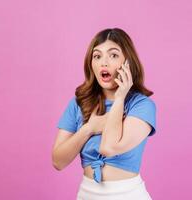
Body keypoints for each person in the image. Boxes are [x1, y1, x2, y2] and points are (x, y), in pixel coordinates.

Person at [52, 28, 156, 200]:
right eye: (97, 56)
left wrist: (120, 96)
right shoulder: (79, 103)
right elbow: (58, 161)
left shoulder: (142, 106)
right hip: (87, 194)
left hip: (128, 195)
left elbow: (108, 147)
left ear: (128, 63)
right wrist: (89, 128)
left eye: (113, 55)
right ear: (91, 63)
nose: (104, 63)